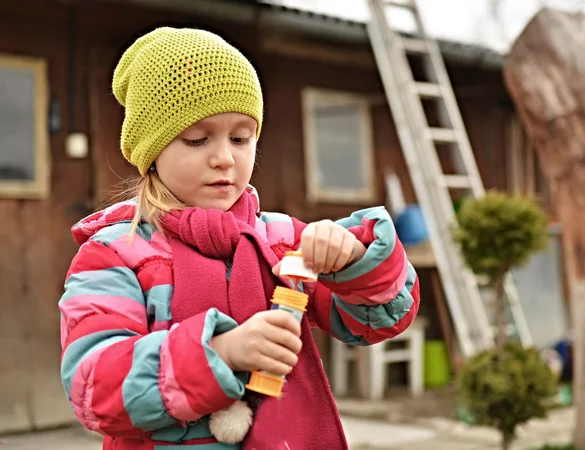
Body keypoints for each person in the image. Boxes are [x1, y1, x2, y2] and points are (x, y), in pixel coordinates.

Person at [58, 27, 420, 450]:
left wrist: (355, 262)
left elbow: (380, 320)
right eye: (197, 139)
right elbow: (93, 388)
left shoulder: (282, 241)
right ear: (150, 153)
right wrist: (221, 352)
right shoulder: (116, 255)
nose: (224, 158)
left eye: (241, 137)